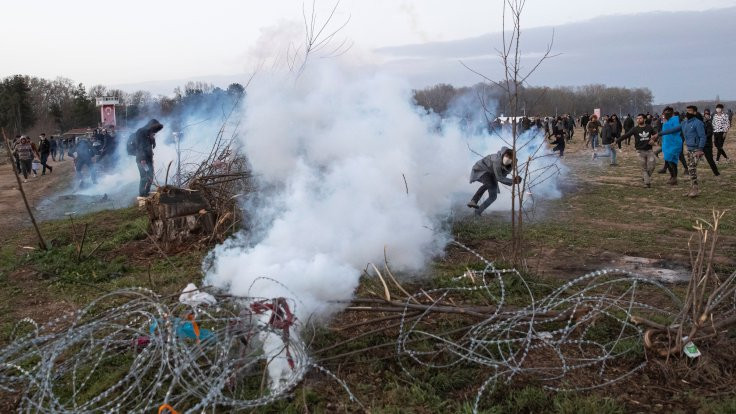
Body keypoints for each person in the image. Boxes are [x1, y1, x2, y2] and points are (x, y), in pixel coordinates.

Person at [658, 105, 705, 197]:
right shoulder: (684, 123)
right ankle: (691, 189)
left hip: (696, 150)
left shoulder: (698, 123)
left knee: (691, 169)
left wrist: (700, 149)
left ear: (695, 112)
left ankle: (695, 189)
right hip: (689, 149)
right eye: (687, 110)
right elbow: (672, 130)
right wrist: (659, 134)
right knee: (692, 169)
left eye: (690, 111)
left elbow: (702, 136)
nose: (688, 112)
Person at [467, 146, 522, 216]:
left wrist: (515, 180)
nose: (507, 159)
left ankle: (477, 212)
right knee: (489, 184)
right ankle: (474, 201)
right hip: (482, 169)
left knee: (493, 196)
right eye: (506, 156)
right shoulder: (497, 161)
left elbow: (503, 176)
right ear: (503, 154)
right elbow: (500, 178)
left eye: (510, 157)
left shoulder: (511, 165)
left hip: (492, 174)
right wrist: (513, 181)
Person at [617, 114, 658, 187]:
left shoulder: (649, 127)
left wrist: (653, 140)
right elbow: (625, 135)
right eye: (637, 118)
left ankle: (646, 177)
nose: (638, 120)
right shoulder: (635, 129)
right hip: (639, 151)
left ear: (644, 119)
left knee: (652, 166)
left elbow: (656, 134)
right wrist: (616, 141)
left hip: (649, 150)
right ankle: (647, 183)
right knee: (644, 168)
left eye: (640, 118)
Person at [133, 119, 164, 198]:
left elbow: (149, 147)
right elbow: (139, 146)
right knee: (144, 177)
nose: (155, 132)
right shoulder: (140, 132)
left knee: (150, 177)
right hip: (142, 159)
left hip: (148, 159)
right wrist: (143, 159)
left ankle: (146, 192)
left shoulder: (149, 134)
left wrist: (152, 139)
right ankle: (142, 194)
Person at [701, 109, 720, 176]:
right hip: (701, 144)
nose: (706, 115)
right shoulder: (701, 122)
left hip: (707, 144)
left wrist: (703, 138)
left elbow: (709, 134)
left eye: (708, 114)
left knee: (710, 160)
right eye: (705, 114)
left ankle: (716, 173)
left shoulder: (709, 123)